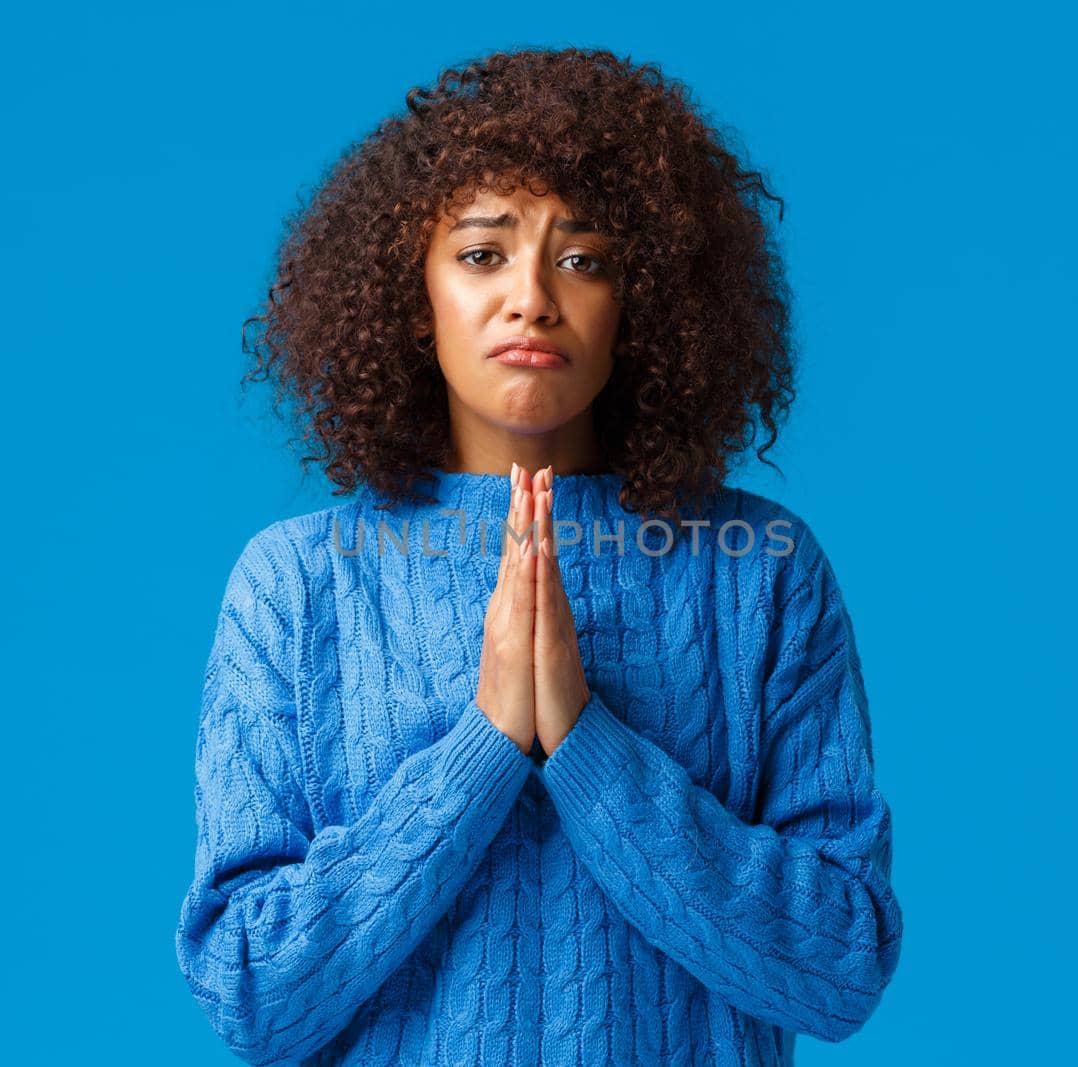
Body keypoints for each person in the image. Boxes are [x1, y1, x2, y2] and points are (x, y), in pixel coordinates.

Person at [175, 46, 903, 1066]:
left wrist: (581, 735)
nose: (532, 298)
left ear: (644, 301)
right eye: (482, 254)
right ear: (408, 292)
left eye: (583, 259)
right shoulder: (297, 581)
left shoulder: (759, 567)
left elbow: (840, 963)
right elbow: (251, 986)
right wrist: (484, 747)